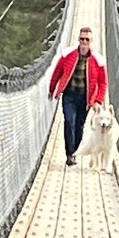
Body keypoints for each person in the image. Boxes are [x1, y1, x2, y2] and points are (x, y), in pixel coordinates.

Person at [49, 27, 108, 166]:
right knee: (69, 121)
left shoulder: (98, 60)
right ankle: (70, 154)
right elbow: (58, 72)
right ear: (78, 39)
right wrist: (52, 89)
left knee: (79, 125)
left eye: (87, 39)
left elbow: (103, 83)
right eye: (82, 39)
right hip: (69, 95)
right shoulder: (68, 54)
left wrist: (98, 100)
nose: (84, 42)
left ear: (91, 41)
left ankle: (74, 151)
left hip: (85, 98)